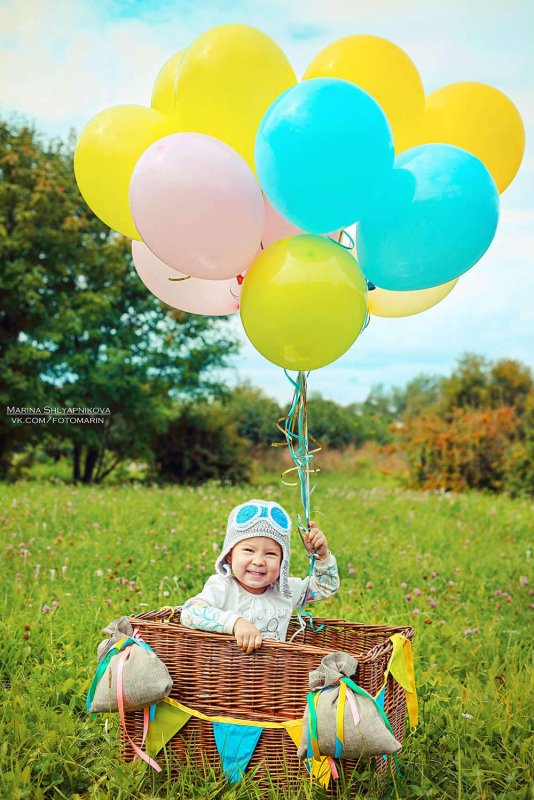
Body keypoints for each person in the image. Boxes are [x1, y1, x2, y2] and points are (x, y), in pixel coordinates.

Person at [181, 499, 340, 652]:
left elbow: (326, 585)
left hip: (273, 676)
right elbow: (189, 612)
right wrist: (235, 623)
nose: (258, 561)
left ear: (282, 562)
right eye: (249, 550)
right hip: (226, 675)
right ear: (229, 555)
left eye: (270, 554)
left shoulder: (286, 591)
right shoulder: (223, 586)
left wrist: (322, 555)